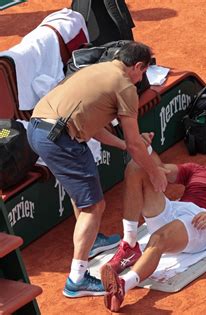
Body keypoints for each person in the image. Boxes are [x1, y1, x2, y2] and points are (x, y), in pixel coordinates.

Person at [27, 41, 168, 298]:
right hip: (60, 139)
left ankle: (90, 244)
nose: (142, 78)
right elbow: (137, 145)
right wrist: (154, 172)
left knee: (82, 197)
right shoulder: (125, 86)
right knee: (95, 207)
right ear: (137, 66)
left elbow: (95, 127)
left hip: (37, 130)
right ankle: (77, 280)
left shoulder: (95, 69)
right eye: (143, 72)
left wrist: (124, 144)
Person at [100, 123, 206, 312]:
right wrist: (146, 148)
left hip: (200, 222)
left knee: (158, 239)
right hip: (175, 210)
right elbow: (159, 170)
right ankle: (130, 244)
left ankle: (123, 285)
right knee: (137, 166)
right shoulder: (196, 169)